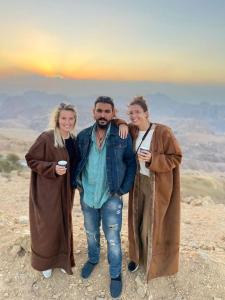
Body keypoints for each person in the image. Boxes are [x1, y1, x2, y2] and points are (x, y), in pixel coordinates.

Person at [73, 96, 136, 298]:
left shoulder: (122, 136)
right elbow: (76, 162)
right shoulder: (83, 136)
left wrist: (122, 190)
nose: (103, 115)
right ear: (93, 112)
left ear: (113, 113)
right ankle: (93, 259)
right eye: (99, 111)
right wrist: (79, 186)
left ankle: (115, 274)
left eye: (107, 111)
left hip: (111, 197)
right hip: (88, 196)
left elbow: (131, 162)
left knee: (113, 239)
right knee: (91, 232)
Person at [126, 96, 182, 281]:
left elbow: (176, 157)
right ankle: (137, 257)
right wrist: (120, 122)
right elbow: (116, 123)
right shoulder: (133, 131)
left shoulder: (163, 132)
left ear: (146, 113)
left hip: (156, 185)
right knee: (137, 220)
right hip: (138, 182)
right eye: (131, 113)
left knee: (150, 223)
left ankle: (153, 261)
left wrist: (152, 158)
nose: (134, 116)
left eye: (137, 112)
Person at [25, 103, 77, 278]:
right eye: (64, 118)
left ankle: (61, 260)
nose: (67, 122)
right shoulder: (47, 138)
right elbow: (31, 159)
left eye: (71, 118)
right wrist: (52, 168)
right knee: (47, 226)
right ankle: (45, 263)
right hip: (47, 191)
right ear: (57, 119)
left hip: (66, 191)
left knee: (63, 224)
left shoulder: (73, 140)